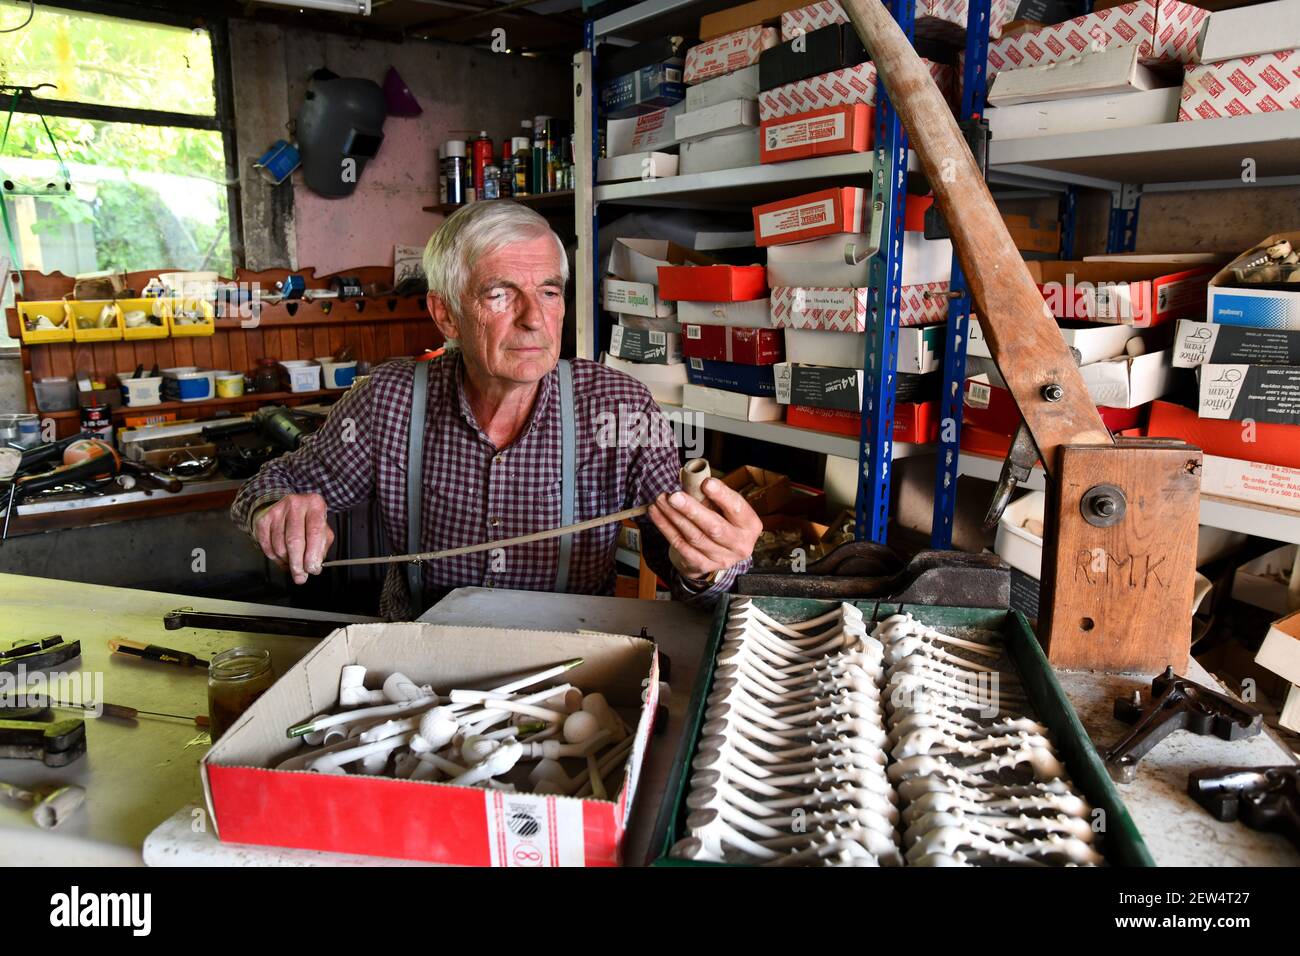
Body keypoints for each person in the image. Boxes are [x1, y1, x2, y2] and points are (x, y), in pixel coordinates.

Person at [231, 201, 761, 619]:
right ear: (446, 314)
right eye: (501, 294)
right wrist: (277, 513)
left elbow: (692, 577)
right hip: (418, 670)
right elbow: (266, 486)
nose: (535, 319)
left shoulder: (619, 406)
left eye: (549, 292)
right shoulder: (390, 399)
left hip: (573, 670)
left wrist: (709, 566)